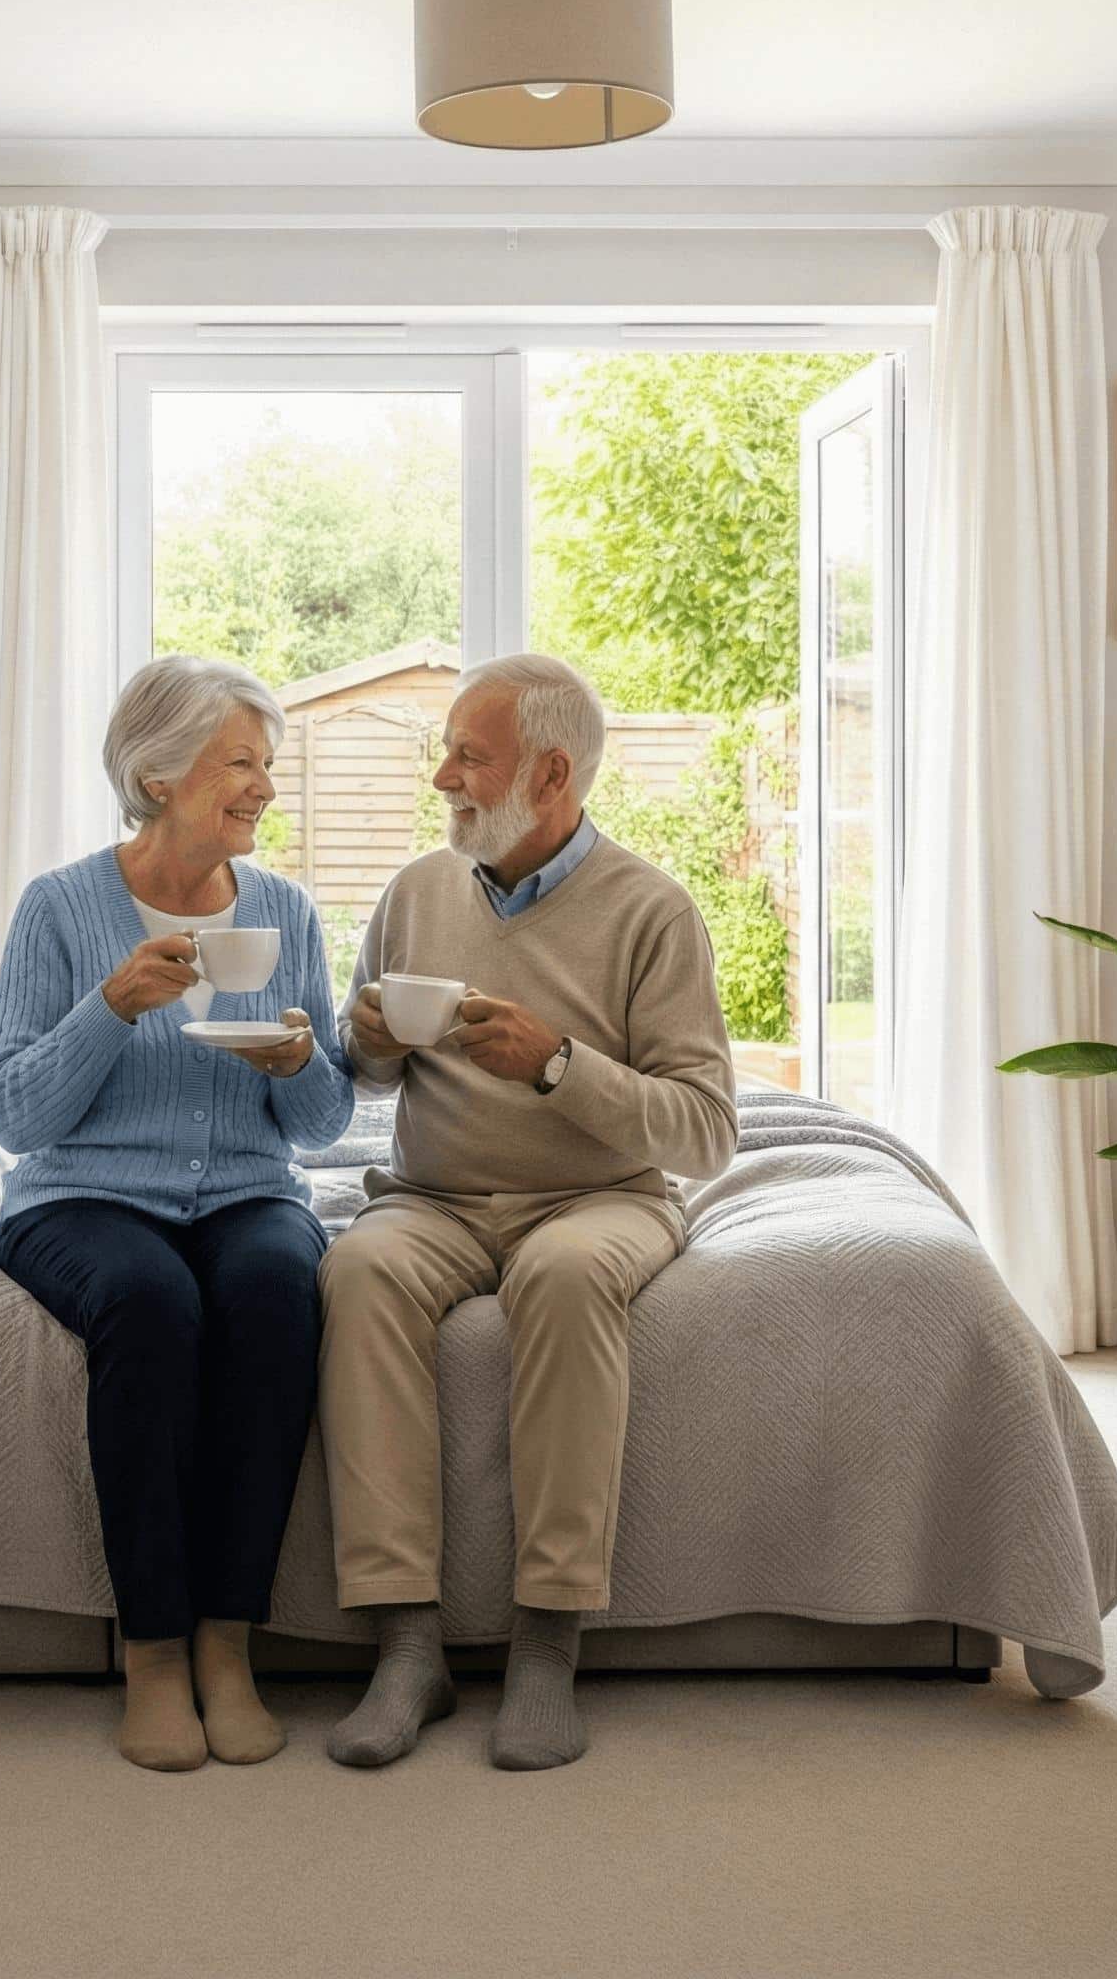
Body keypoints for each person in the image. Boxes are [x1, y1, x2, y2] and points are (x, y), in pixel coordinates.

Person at [318, 652, 738, 1772]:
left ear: (550, 773)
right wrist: (363, 1038)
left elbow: (702, 1129)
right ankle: (405, 1641)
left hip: (594, 1196)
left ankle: (546, 1642)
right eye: (444, 749)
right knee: (355, 1273)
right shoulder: (414, 890)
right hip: (435, 1197)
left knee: (559, 1278)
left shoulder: (651, 910)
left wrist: (557, 1065)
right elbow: (354, 1070)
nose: (442, 774)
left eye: (468, 753)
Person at [0, 655, 354, 1772]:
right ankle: (150, 1652)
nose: (263, 788)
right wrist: (109, 1006)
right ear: (155, 772)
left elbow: (325, 1119)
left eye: (265, 765)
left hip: (244, 1186)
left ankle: (225, 1644)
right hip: (82, 1194)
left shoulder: (284, 909)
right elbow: (11, 1113)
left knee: (274, 1290)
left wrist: (295, 1058)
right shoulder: (60, 906)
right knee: (149, 1304)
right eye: (240, 762)